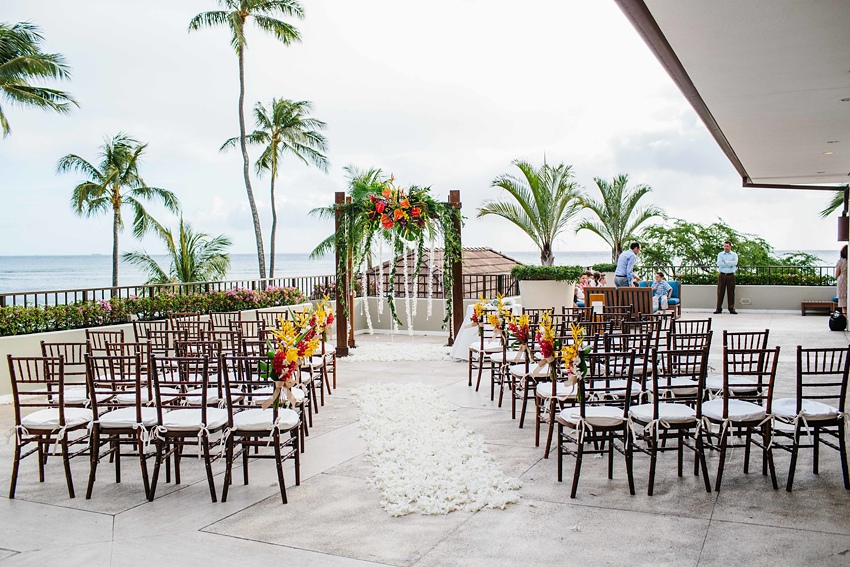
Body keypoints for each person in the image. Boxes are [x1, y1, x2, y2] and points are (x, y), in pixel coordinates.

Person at [716, 240, 738, 314]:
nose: (725, 247)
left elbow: (735, 263)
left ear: (730, 246)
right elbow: (720, 263)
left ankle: (731, 308)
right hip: (722, 275)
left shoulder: (734, 255)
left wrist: (725, 262)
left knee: (731, 292)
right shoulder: (720, 254)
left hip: (730, 275)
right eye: (724, 246)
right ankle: (718, 308)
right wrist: (729, 263)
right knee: (720, 292)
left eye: (727, 246)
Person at [837, 245, 847, 315]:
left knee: (844, 303)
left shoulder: (840, 261)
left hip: (842, 280)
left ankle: (845, 319)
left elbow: (837, 274)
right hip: (847, 279)